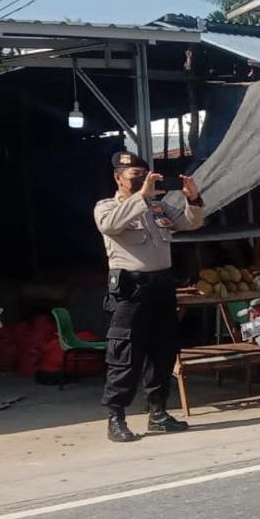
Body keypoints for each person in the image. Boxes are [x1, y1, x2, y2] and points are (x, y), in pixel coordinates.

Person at [94, 151, 204, 443]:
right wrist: (141, 197)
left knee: (162, 350)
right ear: (118, 178)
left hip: (161, 287)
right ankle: (116, 417)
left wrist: (193, 199)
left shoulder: (159, 206)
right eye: (135, 176)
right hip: (131, 289)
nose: (142, 179)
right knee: (125, 354)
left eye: (145, 174)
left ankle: (158, 413)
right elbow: (110, 226)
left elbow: (191, 223)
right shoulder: (106, 207)